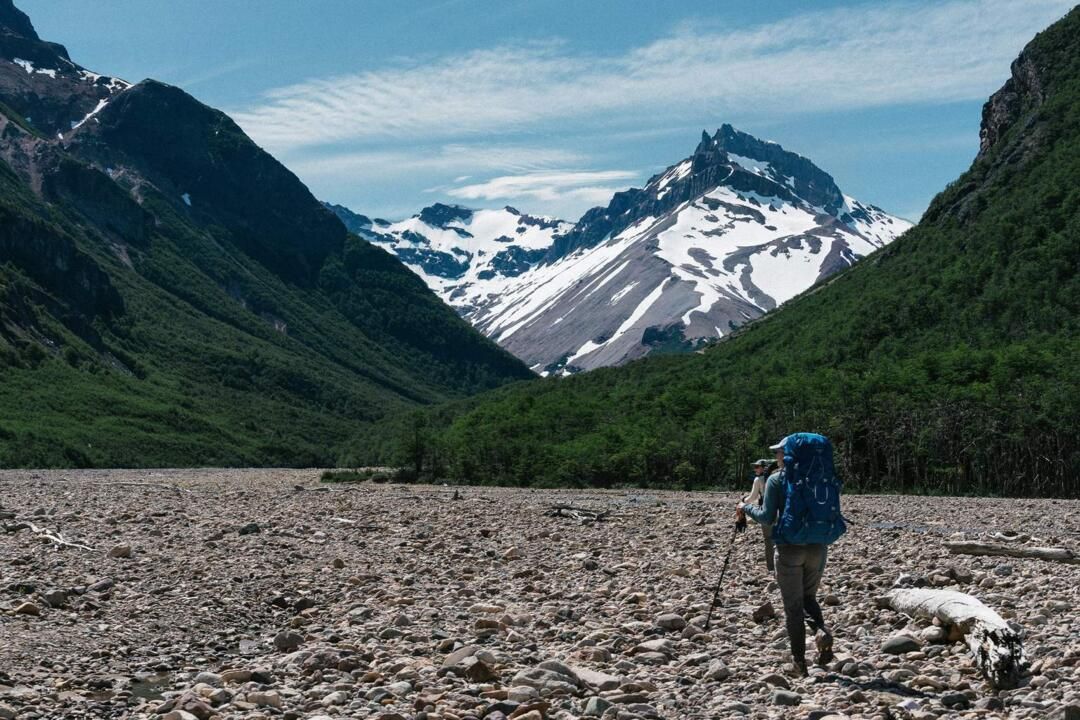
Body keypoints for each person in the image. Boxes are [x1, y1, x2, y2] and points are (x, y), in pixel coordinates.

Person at [737, 437, 834, 677]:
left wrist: (744, 507)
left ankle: (799, 663)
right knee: (808, 597)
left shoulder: (776, 479)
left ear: (788, 454)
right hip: (818, 546)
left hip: (790, 547)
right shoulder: (820, 477)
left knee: (793, 607)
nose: (777, 457)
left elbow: (767, 517)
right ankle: (820, 631)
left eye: (780, 452)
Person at [743, 459, 775, 571]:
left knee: (768, 539)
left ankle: (771, 567)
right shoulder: (778, 477)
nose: (755, 469)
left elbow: (753, 498)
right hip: (781, 511)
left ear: (763, 467)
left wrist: (743, 501)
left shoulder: (758, 479)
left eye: (757, 466)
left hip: (766, 510)